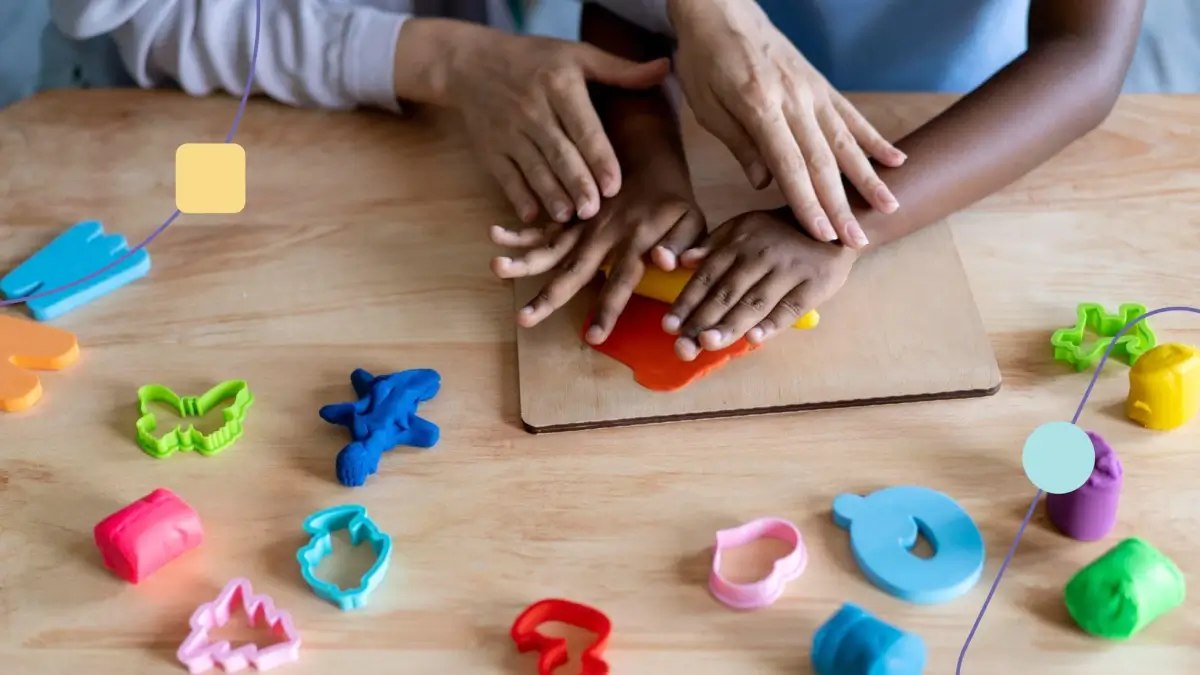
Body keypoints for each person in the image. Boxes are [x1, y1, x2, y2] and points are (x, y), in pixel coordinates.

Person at [492, 0, 1146, 361]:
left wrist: (850, 221)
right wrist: (648, 160)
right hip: (716, 109)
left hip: (967, 121)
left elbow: (1084, 57)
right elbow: (630, 12)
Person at [46, 0, 670, 225]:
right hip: (172, 117)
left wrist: (705, 11)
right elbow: (155, 16)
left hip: (456, 104)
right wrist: (447, 60)